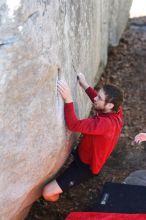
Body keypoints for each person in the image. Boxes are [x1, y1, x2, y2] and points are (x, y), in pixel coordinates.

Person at [42, 72, 124, 202]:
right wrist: (85, 85)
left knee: (47, 193)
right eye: (97, 95)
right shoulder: (117, 110)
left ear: (110, 105)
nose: (96, 98)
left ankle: (59, 197)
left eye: (99, 97)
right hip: (84, 154)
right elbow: (99, 104)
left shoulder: (104, 124)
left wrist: (68, 99)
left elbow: (73, 125)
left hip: (85, 167)